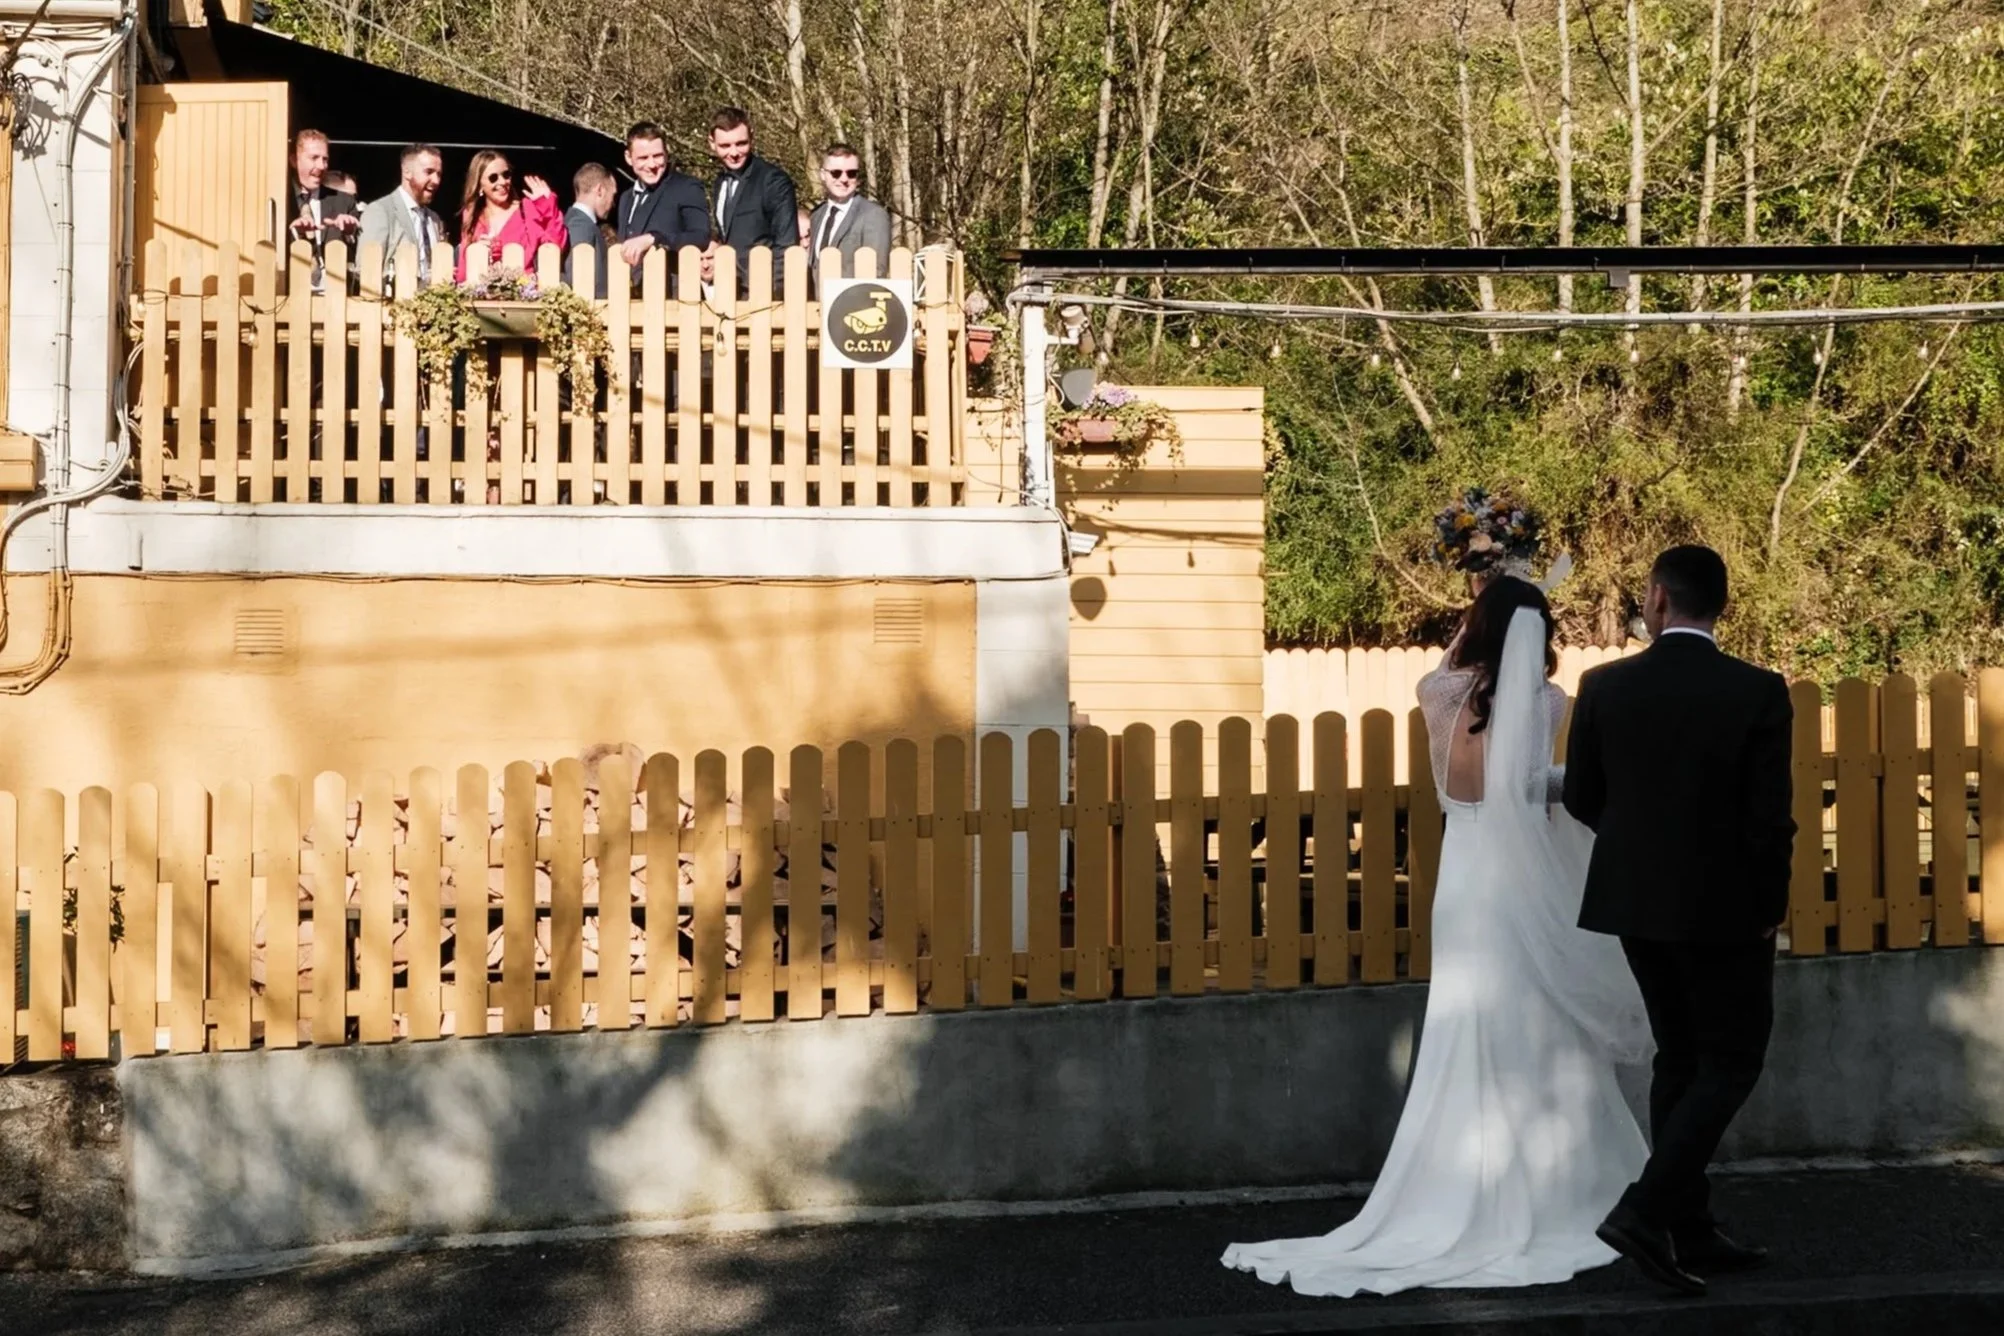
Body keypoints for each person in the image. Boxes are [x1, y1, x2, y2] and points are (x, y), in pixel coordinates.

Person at [1223, 576, 1650, 1298]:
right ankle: (1558, 1183)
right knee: (1535, 1017)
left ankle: (1455, 1180)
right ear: (1536, 636)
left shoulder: (1434, 692)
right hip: (1518, 873)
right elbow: (1525, 786)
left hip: (1464, 874)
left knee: (1466, 1018)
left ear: (1475, 627)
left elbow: (1475, 756)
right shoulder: (1550, 702)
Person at [1564, 545, 1794, 1296]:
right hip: (1728, 909)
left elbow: (1582, 798)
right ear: (1717, 605)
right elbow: (1770, 819)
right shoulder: (1757, 691)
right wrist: (1767, 906)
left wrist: (1640, 855)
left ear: (1658, 599)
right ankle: (1645, 1210)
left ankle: (1686, 1228)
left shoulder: (1604, 685)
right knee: (1731, 1060)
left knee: (1681, 1058)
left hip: (1636, 902)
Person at [707, 106, 798, 293]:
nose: (733, 152)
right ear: (712, 143)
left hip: (764, 292)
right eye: (725, 146)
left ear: (752, 138)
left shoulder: (773, 181)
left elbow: (786, 245)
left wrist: (775, 295)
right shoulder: (719, 182)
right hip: (730, 291)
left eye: (741, 143)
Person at [615, 121, 709, 283]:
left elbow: (701, 236)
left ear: (666, 153)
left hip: (676, 297)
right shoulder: (625, 198)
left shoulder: (686, 187)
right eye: (643, 158)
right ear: (628, 158)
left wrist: (655, 238)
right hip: (631, 297)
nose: (652, 165)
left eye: (658, 156)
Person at [455, 150, 565, 281]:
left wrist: (547, 205)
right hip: (481, 298)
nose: (502, 182)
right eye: (493, 178)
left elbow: (554, 245)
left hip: (523, 294)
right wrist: (477, 253)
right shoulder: (472, 217)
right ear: (480, 185)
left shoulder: (526, 210)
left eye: (506, 175)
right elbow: (463, 272)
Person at [358, 143, 447, 286]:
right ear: (406, 172)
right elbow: (366, 269)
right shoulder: (380, 211)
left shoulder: (434, 219)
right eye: (428, 172)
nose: (436, 181)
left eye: (439, 174)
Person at [806, 143, 892, 282]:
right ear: (823, 174)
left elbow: (877, 272)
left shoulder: (874, 215)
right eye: (836, 173)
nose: (844, 179)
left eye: (851, 173)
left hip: (852, 301)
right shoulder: (816, 215)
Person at [288, 130, 358, 290]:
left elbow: (363, 256)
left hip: (335, 296)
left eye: (325, 159)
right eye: (314, 158)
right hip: (290, 296)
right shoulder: (280, 202)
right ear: (293, 160)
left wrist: (349, 233)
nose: (321, 166)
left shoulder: (344, 202)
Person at [565, 162, 617, 298]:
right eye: (613, 195)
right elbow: (575, 275)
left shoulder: (580, 221)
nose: (613, 203)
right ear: (600, 191)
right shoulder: (580, 224)